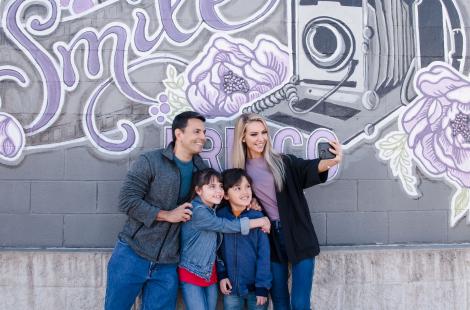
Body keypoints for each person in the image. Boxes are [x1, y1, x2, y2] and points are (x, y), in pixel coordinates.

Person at [231, 113, 342, 310]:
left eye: (264, 132)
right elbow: (231, 204)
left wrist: (331, 161)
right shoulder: (239, 174)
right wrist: (250, 202)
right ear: (243, 137)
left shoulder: (283, 162)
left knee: (300, 303)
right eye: (254, 134)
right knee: (280, 301)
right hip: (269, 240)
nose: (261, 139)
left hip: (299, 233)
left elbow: (308, 168)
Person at [104, 111, 208, 310]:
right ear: (179, 134)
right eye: (197, 131)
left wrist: (250, 203)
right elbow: (127, 201)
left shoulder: (201, 171)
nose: (203, 137)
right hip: (132, 253)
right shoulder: (151, 161)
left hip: (167, 263)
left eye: (204, 132)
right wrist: (167, 215)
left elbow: (221, 193)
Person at [179, 168, 271, 310]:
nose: (218, 191)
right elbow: (224, 229)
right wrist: (261, 221)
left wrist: (262, 286)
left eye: (220, 186)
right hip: (203, 275)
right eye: (212, 186)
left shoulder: (218, 212)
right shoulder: (205, 213)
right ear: (198, 190)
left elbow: (264, 255)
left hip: (230, 279)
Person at [217, 168, 272, 310]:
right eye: (237, 188)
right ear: (226, 195)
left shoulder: (257, 218)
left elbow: (264, 255)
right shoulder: (220, 217)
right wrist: (222, 275)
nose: (245, 192)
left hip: (256, 290)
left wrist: (262, 286)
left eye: (247, 187)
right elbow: (216, 251)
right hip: (231, 288)